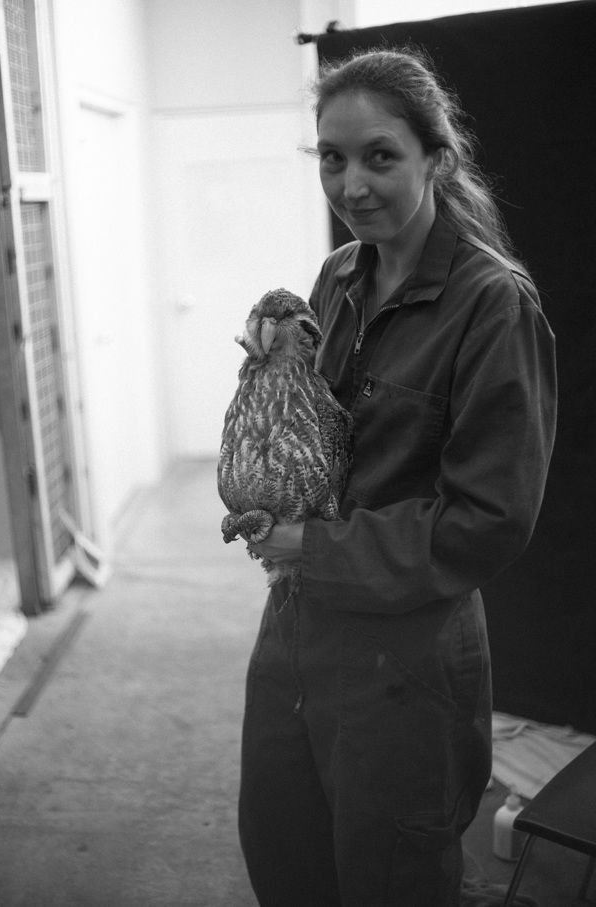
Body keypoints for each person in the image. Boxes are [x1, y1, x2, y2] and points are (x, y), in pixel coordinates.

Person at [238, 47, 557, 906]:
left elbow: (487, 520)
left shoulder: (492, 304)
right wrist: (259, 436)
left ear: (436, 160)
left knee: (390, 877)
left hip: (404, 656)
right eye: (331, 159)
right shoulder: (338, 278)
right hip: (297, 627)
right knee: (281, 845)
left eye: (380, 156)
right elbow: (310, 429)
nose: (352, 186)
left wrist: (314, 544)